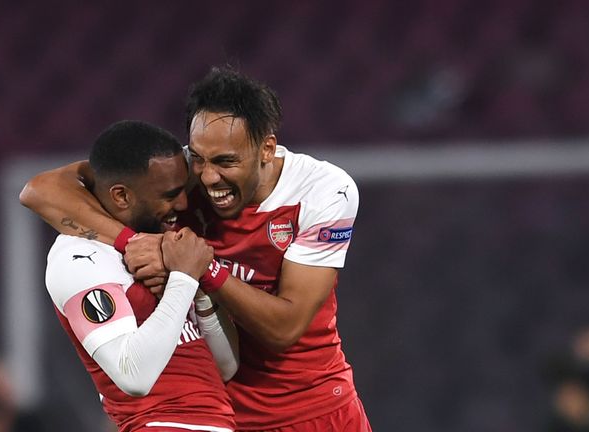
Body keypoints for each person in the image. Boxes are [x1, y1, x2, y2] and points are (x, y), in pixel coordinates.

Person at [20, 67, 371, 431]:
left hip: (313, 409)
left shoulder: (323, 191)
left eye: (225, 162)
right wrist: (137, 242)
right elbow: (40, 191)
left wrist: (202, 269)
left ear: (266, 148)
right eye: (199, 159)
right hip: (220, 413)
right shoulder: (179, 176)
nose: (207, 177)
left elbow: (285, 328)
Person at [37, 120, 238, 432]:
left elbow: (225, 367)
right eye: (170, 194)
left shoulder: (165, 250)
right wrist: (184, 278)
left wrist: (197, 288)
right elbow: (133, 375)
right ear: (121, 197)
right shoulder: (80, 258)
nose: (183, 203)